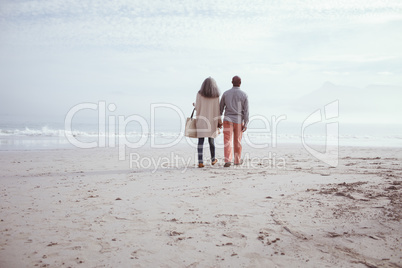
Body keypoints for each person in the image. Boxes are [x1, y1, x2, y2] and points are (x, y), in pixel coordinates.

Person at [220, 75, 249, 167]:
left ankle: (228, 160)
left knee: (227, 140)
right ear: (240, 83)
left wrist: (218, 120)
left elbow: (220, 108)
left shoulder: (226, 93)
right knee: (237, 141)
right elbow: (246, 111)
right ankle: (237, 160)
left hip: (228, 119)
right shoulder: (244, 95)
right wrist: (246, 122)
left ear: (232, 82)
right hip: (239, 120)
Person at [194, 77, 222, 168]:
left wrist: (195, 105)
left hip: (202, 120)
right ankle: (213, 159)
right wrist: (219, 122)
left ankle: (200, 161)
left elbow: (198, 107)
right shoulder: (216, 96)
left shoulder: (199, 94)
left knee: (200, 141)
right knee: (211, 141)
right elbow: (217, 110)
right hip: (212, 121)